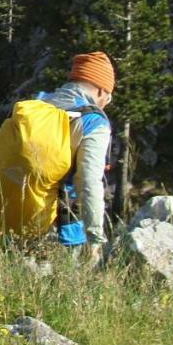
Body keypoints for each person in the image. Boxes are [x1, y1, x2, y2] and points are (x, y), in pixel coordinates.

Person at [40, 51, 115, 263]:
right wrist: (95, 237)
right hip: (62, 230)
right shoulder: (93, 120)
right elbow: (88, 181)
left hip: (13, 217)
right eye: (108, 98)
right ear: (101, 90)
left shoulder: (36, 104)